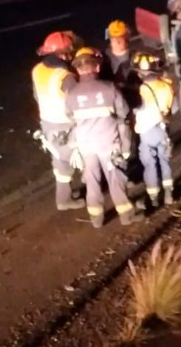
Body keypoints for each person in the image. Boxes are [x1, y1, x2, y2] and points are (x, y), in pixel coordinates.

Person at [65, 48, 143, 228]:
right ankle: (126, 216)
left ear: (77, 70)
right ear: (97, 68)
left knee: (92, 181)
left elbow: (70, 118)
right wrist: (125, 146)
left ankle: (96, 219)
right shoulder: (110, 88)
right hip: (109, 143)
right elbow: (123, 115)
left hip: (86, 145)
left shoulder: (71, 94)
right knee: (116, 179)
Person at [32, 30, 85, 211]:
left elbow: (36, 96)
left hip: (48, 123)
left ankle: (64, 198)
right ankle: (93, 193)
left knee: (60, 162)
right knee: (86, 158)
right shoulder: (65, 76)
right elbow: (77, 102)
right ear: (63, 54)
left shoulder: (37, 70)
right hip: (66, 125)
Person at [132, 52, 177, 207]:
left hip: (146, 133)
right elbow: (174, 108)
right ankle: (169, 195)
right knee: (165, 161)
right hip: (163, 130)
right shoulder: (167, 85)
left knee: (150, 165)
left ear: (139, 72)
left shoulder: (139, 91)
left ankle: (153, 198)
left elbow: (135, 110)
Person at [103, 20, 135, 85]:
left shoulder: (136, 57)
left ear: (127, 38)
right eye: (114, 38)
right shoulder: (103, 59)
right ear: (109, 39)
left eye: (120, 38)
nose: (117, 42)